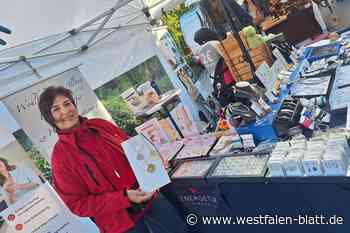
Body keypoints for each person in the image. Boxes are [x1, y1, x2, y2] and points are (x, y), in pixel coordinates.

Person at [38, 86, 187, 233]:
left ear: (74, 104)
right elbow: (78, 204)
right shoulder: (60, 157)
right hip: (121, 226)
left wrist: (154, 160)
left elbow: (134, 149)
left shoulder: (101, 125)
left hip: (153, 201)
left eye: (67, 103)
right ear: (49, 117)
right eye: (56, 109)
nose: (65, 111)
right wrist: (124, 198)